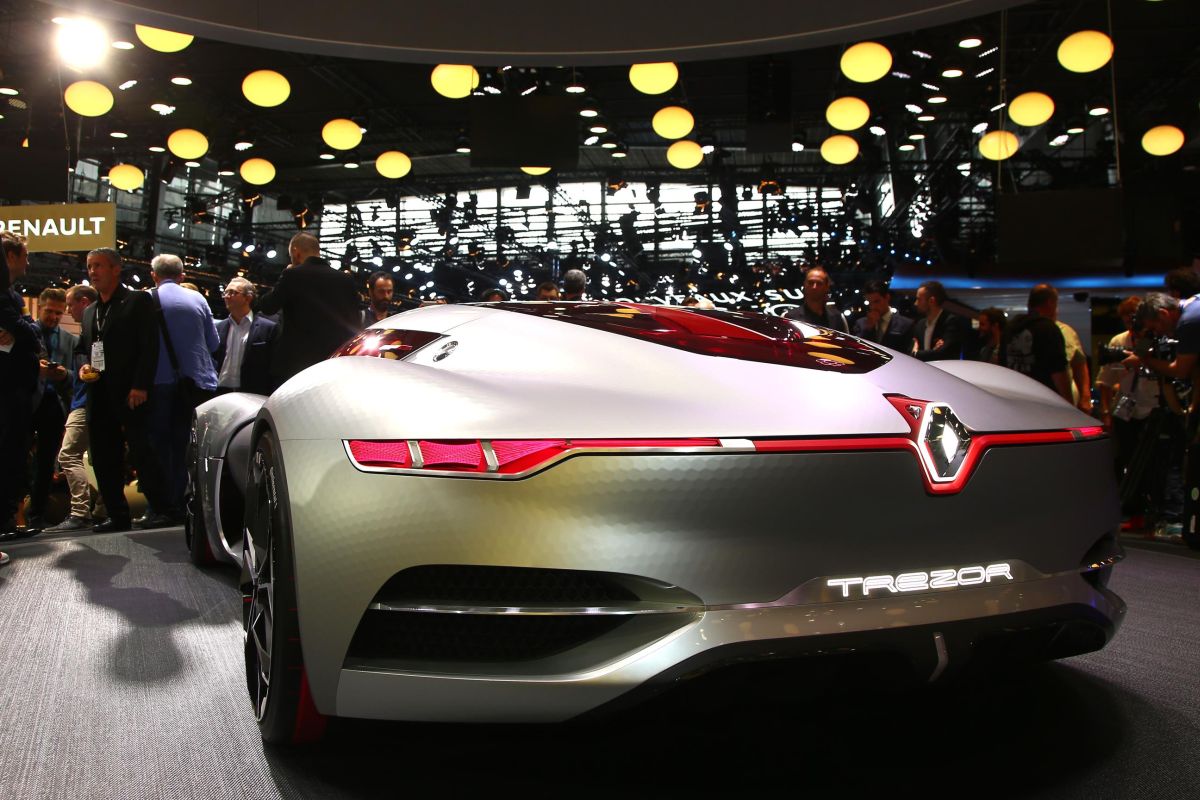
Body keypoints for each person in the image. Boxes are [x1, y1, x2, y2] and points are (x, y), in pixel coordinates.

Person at [76, 247, 170, 533]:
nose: (93, 271)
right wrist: (83, 367)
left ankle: (164, 509)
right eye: (90, 266)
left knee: (142, 451)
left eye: (99, 266)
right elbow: (82, 349)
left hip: (131, 392)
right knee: (104, 455)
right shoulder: (90, 311)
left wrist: (140, 385)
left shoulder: (137, 300)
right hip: (98, 394)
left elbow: (149, 346)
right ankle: (117, 515)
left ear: (116, 269)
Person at [145, 254, 220, 523]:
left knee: (160, 447)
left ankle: (164, 506)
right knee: (190, 446)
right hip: (197, 384)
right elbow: (213, 343)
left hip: (159, 383)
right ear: (182, 275)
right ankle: (190, 502)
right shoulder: (197, 299)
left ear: (154, 275)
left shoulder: (146, 299)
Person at [1095, 296, 1166, 534]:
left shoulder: (1157, 339)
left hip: (1153, 408)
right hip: (1125, 410)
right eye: (1127, 320)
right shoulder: (1119, 341)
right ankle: (1131, 512)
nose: (1132, 324)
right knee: (1124, 461)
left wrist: (1145, 356)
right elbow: (1105, 381)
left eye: (1135, 319)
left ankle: (1155, 513)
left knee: (1153, 464)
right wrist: (1106, 412)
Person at [256, 233, 361, 385]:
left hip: (295, 366)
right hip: (333, 364)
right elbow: (355, 323)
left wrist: (285, 275)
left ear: (296, 253)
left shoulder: (292, 275)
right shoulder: (346, 279)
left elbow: (268, 307)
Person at [44, 284, 104, 532]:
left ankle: (80, 512)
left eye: (69, 305)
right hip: (91, 401)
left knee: (68, 455)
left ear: (84, 302)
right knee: (102, 457)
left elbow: (95, 370)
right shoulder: (93, 330)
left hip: (85, 402)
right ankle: (101, 510)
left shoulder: (94, 331)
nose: (67, 311)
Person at [0, 232, 43, 546]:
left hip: (17, 389)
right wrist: (26, 328)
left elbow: (29, 332)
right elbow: (28, 334)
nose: (28, 261)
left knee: (15, 455)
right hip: (8, 389)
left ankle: (8, 520)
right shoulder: (4, 297)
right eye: (25, 255)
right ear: (11, 256)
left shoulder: (11, 295)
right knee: (7, 455)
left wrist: (25, 328)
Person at [26, 288, 76, 530]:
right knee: (16, 459)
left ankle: (37, 515)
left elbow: (79, 373)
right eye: (49, 311)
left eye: (59, 313)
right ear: (40, 307)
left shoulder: (70, 340)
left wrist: (64, 374)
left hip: (55, 405)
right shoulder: (25, 333)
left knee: (47, 463)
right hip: (26, 403)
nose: (54, 317)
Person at [1002, 284, 1072, 402]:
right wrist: (1068, 403)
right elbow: (1058, 370)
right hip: (1045, 401)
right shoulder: (1048, 328)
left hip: (1015, 398)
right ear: (1050, 303)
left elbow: (1002, 366)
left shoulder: (1010, 328)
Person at [1029, 283, 1092, 412]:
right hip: (1036, 403)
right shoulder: (1024, 331)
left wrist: (1085, 396)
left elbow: (1079, 364)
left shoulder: (1066, 331)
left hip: (1062, 405)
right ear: (1051, 303)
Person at [215, 277, 277, 396]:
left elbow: (272, 366)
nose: (227, 296)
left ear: (248, 298)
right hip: (219, 392)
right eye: (225, 292)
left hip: (251, 393)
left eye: (232, 292)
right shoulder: (219, 327)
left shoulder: (268, 328)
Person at [910, 280, 966, 361]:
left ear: (931, 301)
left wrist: (916, 353)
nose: (915, 303)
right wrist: (933, 351)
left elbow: (943, 354)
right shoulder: (920, 324)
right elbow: (910, 349)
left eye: (919, 299)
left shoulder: (951, 322)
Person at [852, 280, 913, 350]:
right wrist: (868, 329)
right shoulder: (861, 324)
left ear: (887, 297)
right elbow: (856, 348)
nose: (873, 307)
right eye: (870, 303)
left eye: (876, 301)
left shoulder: (905, 324)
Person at [784, 266, 849, 332]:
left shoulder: (838, 318)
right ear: (804, 285)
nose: (814, 287)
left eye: (819, 283)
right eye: (810, 282)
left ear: (826, 287)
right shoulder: (789, 317)